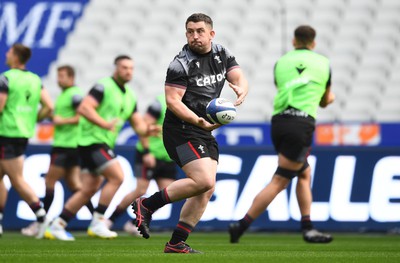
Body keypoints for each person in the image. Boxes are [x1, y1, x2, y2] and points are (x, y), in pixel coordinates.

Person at [131, 13, 248, 253]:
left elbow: (238, 76)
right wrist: (198, 120)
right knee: (203, 180)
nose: (195, 35)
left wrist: (242, 90)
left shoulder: (222, 53)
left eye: (200, 31)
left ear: (211, 34)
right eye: (190, 31)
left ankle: (176, 243)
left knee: (207, 188)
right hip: (181, 129)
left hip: (203, 130)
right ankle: (147, 204)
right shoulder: (180, 63)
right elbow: (173, 101)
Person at [228, 25, 335, 244]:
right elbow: (325, 100)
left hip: (278, 124)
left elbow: (281, 87)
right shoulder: (324, 63)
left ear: (294, 41)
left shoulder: (281, 62)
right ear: (313, 43)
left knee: (304, 172)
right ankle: (241, 225)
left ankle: (307, 226)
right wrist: (329, 98)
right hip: (301, 123)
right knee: (279, 181)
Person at [45, 55, 156, 241]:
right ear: (116, 69)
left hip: (101, 142)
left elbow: (139, 126)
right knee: (117, 177)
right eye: (124, 67)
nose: (128, 71)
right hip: (91, 140)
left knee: (88, 189)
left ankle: (58, 224)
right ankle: (98, 222)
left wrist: (149, 129)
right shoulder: (103, 86)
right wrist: (104, 124)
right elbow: (84, 109)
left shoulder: (130, 96)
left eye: (131, 68)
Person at [21, 65, 94, 236]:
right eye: (58, 75)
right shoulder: (65, 95)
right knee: (76, 186)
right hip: (71, 147)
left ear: (71, 77)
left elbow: (82, 116)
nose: (58, 79)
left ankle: (41, 222)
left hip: (65, 147)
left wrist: (62, 121)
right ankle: (98, 219)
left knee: (49, 182)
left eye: (62, 76)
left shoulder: (74, 95)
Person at [0, 43, 53, 238]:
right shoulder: (35, 80)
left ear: (15, 56)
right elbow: (49, 106)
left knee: (17, 179)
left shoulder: (6, 78)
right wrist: (34, 118)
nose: (6, 53)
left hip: (7, 132)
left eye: (9, 51)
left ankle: (41, 216)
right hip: (23, 133)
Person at [106, 94, 177, 235]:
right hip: (149, 155)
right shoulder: (160, 104)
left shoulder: (187, 104)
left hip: (167, 157)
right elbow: (143, 128)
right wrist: (146, 152)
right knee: (140, 190)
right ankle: (109, 220)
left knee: (170, 193)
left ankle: (133, 222)